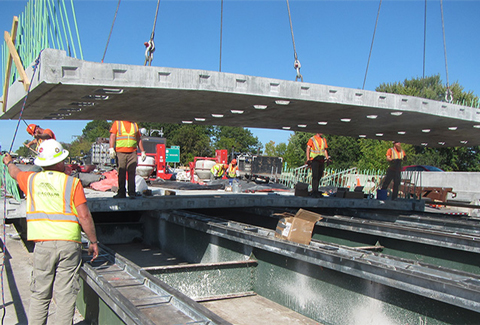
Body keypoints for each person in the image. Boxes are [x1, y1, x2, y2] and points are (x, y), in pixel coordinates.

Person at [2, 139, 99, 325]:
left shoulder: (30, 179)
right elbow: (84, 216)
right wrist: (93, 242)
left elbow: (14, 173)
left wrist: (8, 162)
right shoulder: (73, 183)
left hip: (43, 244)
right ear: (61, 161)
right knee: (65, 296)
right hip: (69, 244)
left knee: (40, 295)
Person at [109, 121, 146, 199]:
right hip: (120, 152)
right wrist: (111, 148)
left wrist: (142, 151)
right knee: (121, 172)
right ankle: (121, 193)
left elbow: (138, 139)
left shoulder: (135, 125)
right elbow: (112, 136)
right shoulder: (118, 123)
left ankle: (132, 192)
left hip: (132, 152)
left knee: (132, 173)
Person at [306, 132, 330, 198]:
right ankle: (314, 191)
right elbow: (308, 148)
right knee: (315, 176)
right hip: (314, 160)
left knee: (319, 176)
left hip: (321, 160)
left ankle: (316, 190)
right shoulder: (312, 139)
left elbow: (324, 150)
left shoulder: (323, 140)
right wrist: (308, 159)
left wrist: (327, 159)